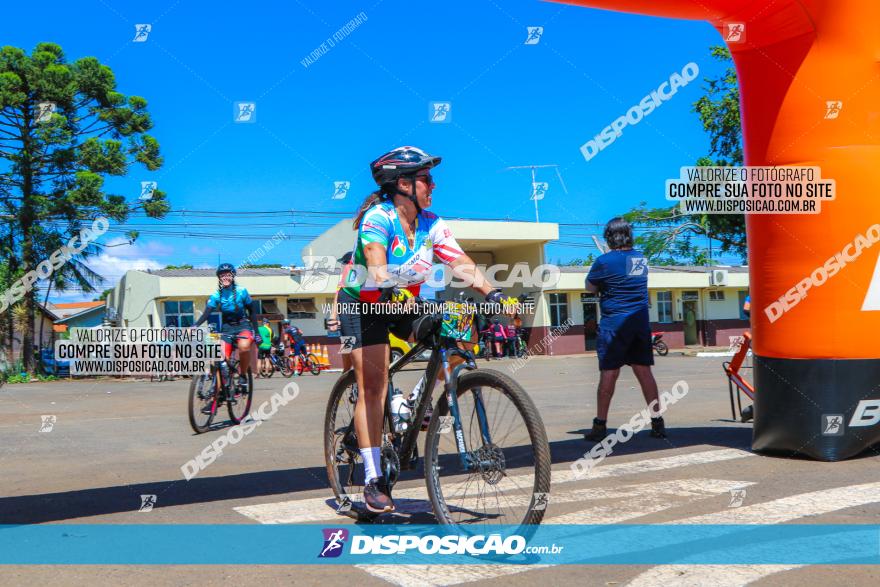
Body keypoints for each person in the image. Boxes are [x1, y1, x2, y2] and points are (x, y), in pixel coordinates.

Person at [338, 145, 516, 513]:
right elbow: (374, 258)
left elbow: (460, 261)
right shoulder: (379, 216)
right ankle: (373, 480)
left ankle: (420, 399)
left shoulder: (432, 223)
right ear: (403, 184)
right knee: (374, 386)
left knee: (459, 328)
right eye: (426, 179)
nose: (432, 184)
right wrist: (386, 282)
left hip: (404, 300)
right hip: (363, 302)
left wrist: (493, 292)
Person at [584, 217, 666, 441]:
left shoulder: (603, 261)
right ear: (629, 235)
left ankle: (600, 425)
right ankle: (657, 422)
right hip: (639, 324)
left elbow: (590, 287)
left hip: (614, 326)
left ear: (610, 237)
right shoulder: (640, 259)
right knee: (644, 373)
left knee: (609, 374)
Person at [193, 263, 260, 390]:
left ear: (233, 276)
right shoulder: (217, 295)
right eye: (222, 275)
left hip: (243, 325)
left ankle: (242, 375)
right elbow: (207, 313)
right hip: (227, 328)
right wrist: (195, 325)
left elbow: (252, 311)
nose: (225, 277)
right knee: (221, 360)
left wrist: (257, 332)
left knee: (244, 348)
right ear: (219, 278)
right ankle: (215, 397)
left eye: (228, 274)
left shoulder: (242, 291)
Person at [327, 251, 355, 372]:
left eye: (344, 263)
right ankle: (347, 373)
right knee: (347, 346)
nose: (343, 266)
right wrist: (333, 317)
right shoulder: (343, 281)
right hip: (347, 318)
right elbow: (337, 298)